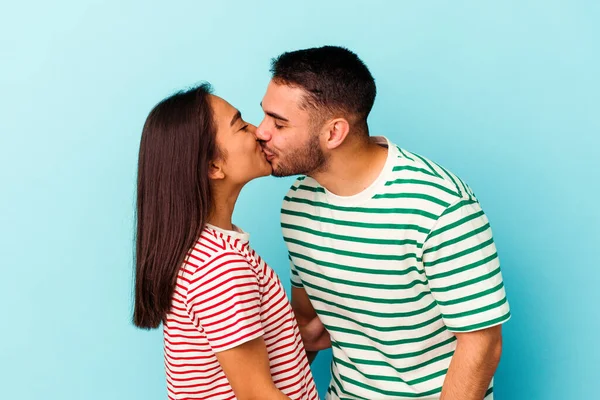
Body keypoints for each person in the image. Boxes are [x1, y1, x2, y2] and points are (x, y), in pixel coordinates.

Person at [256, 46, 511, 400]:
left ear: (334, 133)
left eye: (279, 123)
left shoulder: (439, 206)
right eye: (264, 116)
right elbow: (309, 326)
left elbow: (482, 344)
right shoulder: (297, 204)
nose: (261, 132)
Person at [133, 83, 318, 400]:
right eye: (241, 125)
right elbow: (257, 395)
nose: (259, 132)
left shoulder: (204, 250)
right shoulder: (220, 266)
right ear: (213, 166)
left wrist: (301, 336)